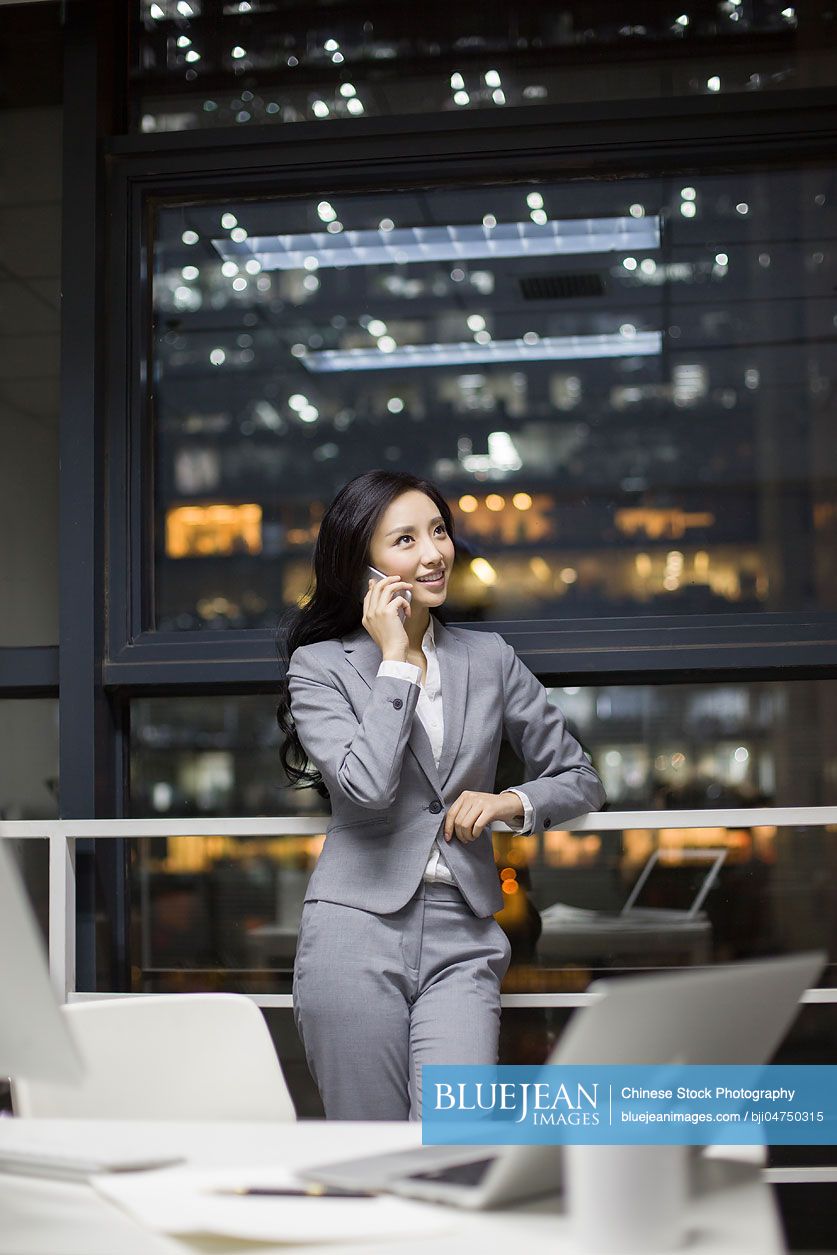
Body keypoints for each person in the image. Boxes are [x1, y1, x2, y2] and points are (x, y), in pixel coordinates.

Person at [276, 469, 606, 1120]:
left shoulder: (489, 658)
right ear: (362, 566)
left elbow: (580, 778)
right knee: (368, 1145)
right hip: (354, 930)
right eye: (404, 539)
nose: (432, 553)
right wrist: (396, 660)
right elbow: (366, 787)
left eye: (438, 531)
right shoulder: (319, 666)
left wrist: (508, 801)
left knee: (456, 1134)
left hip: (463, 933)